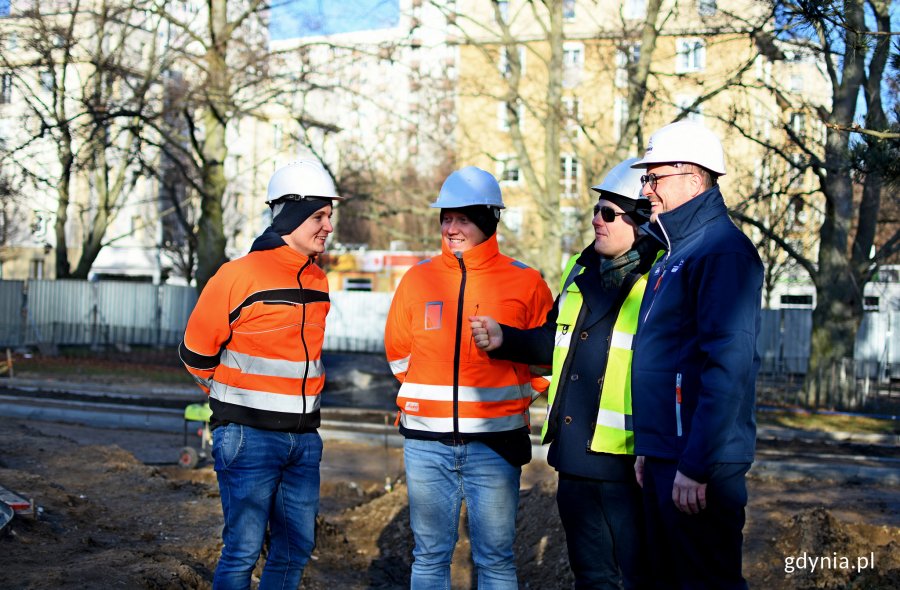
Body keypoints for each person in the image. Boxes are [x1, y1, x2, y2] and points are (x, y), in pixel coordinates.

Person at [470, 158, 660, 589]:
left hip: (629, 461)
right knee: (591, 575)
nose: (597, 219)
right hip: (575, 455)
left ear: (640, 222)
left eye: (609, 213)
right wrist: (508, 340)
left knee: (638, 576)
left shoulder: (660, 277)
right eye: (596, 210)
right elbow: (560, 343)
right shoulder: (582, 267)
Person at [384, 166, 554, 590]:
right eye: (446, 217)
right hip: (425, 445)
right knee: (429, 558)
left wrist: (510, 401)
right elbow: (399, 356)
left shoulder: (527, 282)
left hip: (495, 447)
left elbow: (545, 361)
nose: (451, 228)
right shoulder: (417, 279)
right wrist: (430, 400)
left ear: (488, 221)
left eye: (462, 218)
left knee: (495, 560)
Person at [178, 159, 344, 590]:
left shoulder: (319, 281)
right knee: (242, 552)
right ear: (289, 215)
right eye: (318, 216)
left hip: (304, 439)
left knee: (294, 549)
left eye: (330, 216)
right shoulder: (238, 275)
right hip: (248, 437)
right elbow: (196, 351)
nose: (328, 226)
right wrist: (230, 396)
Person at [629, 121, 763, 590]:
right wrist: (652, 446)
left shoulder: (722, 252)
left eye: (653, 178)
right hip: (669, 455)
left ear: (692, 176)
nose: (646, 190)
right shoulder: (675, 252)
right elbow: (668, 357)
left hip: (697, 464)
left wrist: (695, 463)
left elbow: (728, 367)